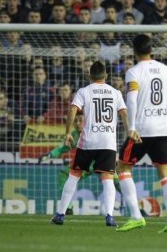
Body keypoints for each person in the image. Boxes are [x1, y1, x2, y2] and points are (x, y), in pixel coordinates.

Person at [116, 34, 167, 233]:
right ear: (151, 49)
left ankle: (136, 216)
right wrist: (165, 113)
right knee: (165, 174)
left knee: (123, 168)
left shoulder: (134, 72)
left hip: (141, 130)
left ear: (134, 51)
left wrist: (131, 127)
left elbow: (132, 100)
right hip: (163, 128)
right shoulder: (165, 69)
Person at [51, 61, 128, 227]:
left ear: (89, 76)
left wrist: (67, 133)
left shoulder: (84, 91)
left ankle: (60, 214)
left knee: (74, 175)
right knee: (107, 179)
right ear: (106, 76)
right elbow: (123, 112)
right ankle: (109, 216)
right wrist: (130, 131)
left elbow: (72, 110)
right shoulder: (115, 92)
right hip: (108, 142)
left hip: (88, 141)